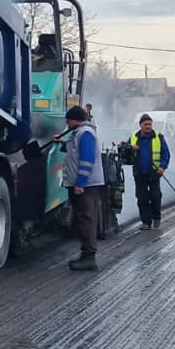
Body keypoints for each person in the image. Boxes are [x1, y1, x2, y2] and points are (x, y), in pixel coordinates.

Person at [57, 105, 104, 271]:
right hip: (82, 184)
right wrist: (63, 143)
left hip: (86, 186)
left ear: (75, 120)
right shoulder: (78, 133)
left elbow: (87, 159)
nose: (67, 124)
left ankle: (89, 257)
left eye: (68, 121)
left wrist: (80, 183)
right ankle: (85, 255)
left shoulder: (85, 133)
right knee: (83, 219)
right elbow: (75, 152)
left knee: (86, 219)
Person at [126, 114, 172, 230]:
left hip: (154, 173)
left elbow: (166, 153)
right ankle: (146, 222)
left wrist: (162, 167)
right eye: (145, 124)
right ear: (140, 125)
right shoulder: (134, 137)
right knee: (142, 198)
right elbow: (126, 152)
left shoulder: (158, 137)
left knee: (155, 197)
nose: (148, 126)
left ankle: (156, 217)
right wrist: (130, 148)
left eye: (150, 124)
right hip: (139, 173)